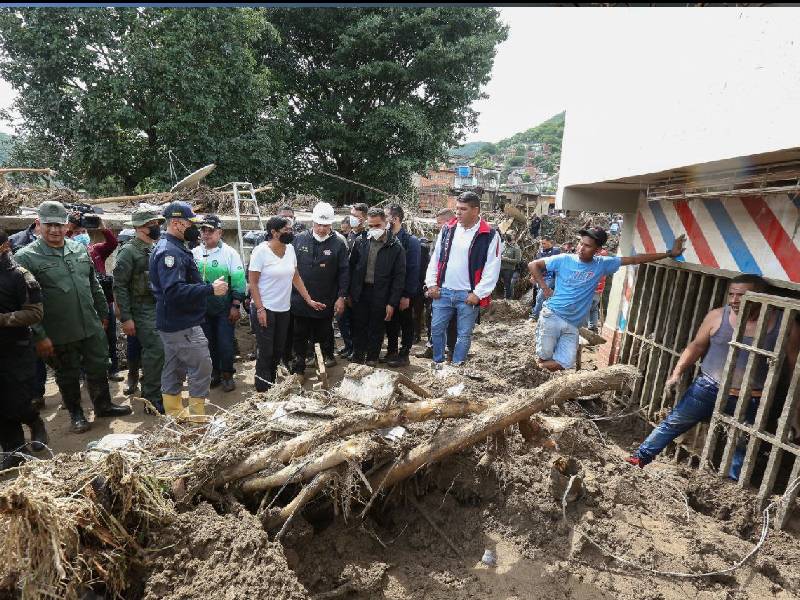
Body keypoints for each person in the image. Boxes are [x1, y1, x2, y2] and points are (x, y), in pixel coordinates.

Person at [626, 275, 800, 480]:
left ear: (761, 297)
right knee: (673, 423)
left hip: (753, 397)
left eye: (742, 296)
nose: (734, 300)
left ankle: (730, 489)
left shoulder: (786, 325)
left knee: (742, 444)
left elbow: (794, 368)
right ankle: (639, 459)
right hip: (707, 388)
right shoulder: (717, 316)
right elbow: (696, 346)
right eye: (731, 294)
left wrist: (795, 410)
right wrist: (676, 373)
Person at [16, 201, 132, 433]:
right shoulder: (26, 257)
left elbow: (93, 284)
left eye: (59, 225)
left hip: (90, 325)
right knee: (67, 373)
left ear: (67, 225)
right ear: (38, 224)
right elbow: (25, 303)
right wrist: (39, 336)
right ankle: (77, 414)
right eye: (49, 225)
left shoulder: (78, 249)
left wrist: (102, 314)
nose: (55, 230)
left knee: (99, 364)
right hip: (59, 330)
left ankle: (103, 405)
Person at [530, 227, 686, 372]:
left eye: (587, 246)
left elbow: (634, 260)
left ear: (598, 250)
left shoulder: (602, 264)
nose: (581, 248)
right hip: (552, 316)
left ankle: (533, 371)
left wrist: (669, 253)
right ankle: (534, 380)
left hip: (573, 324)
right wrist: (544, 288)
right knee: (544, 357)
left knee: (566, 362)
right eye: (580, 243)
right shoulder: (564, 259)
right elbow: (533, 265)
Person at [150, 201, 228, 420]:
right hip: (181, 323)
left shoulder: (173, 247)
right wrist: (210, 289)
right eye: (190, 223)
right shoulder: (170, 252)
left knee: (174, 366)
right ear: (176, 223)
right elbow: (173, 291)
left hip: (173, 321)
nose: (195, 228)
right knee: (202, 365)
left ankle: (175, 415)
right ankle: (196, 418)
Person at [425, 191, 502, 367]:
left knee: (464, 334)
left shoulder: (489, 234)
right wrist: (431, 284)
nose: (458, 213)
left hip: (468, 296)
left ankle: (458, 364)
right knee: (436, 329)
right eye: (457, 208)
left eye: (463, 209)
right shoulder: (448, 229)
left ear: (475, 210)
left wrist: (479, 293)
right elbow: (436, 258)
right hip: (443, 292)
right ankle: (438, 363)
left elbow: (492, 267)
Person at [249, 216, 325, 390]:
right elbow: (252, 283)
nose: (290, 233)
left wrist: (309, 299)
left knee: (278, 350)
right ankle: (262, 389)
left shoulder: (290, 249)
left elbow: (295, 276)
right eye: (286, 230)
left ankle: (272, 383)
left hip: (284, 309)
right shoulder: (261, 252)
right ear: (274, 233)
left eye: (291, 230)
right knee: (266, 351)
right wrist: (260, 308)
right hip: (264, 308)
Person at [0, 229, 48, 468]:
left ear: (5, 247)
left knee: (17, 403)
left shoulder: (20, 275)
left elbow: (35, 312)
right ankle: (14, 451)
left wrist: (3, 319)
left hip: (17, 349)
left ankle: (35, 422)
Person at [113, 208, 166, 413]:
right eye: (152, 223)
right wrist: (125, 318)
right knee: (156, 350)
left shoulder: (153, 247)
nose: (157, 227)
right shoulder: (129, 251)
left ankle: (157, 390)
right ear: (140, 227)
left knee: (161, 352)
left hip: (156, 306)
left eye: (157, 223)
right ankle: (151, 398)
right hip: (140, 308)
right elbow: (120, 286)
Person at [290, 202, 349, 375]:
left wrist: (341, 297)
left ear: (331, 224)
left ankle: (322, 366)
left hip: (325, 299)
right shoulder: (299, 239)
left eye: (326, 225)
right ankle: (298, 369)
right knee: (299, 335)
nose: (322, 229)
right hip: (300, 300)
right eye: (319, 225)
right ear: (312, 222)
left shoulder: (338, 243)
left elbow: (344, 272)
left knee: (323, 334)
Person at [193, 214, 246, 393]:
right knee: (207, 343)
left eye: (211, 230)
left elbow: (239, 281)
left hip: (224, 308)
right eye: (203, 230)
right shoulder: (195, 253)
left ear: (220, 232)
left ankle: (227, 375)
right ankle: (214, 373)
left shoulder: (230, 253)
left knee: (225, 342)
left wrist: (236, 305)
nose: (206, 234)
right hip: (202, 309)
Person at [347, 207, 406, 366]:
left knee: (376, 326)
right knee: (359, 325)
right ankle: (358, 356)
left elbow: (398, 277)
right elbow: (351, 267)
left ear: (386, 223)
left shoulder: (395, 246)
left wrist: (392, 302)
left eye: (377, 225)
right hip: (361, 290)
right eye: (370, 226)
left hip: (381, 293)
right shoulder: (360, 241)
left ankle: (372, 357)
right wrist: (349, 293)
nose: (374, 229)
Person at [73, 218, 123, 382]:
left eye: (83, 232)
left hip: (104, 300)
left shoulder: (95, 251)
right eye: (77, 232)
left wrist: (103, 228)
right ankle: (83, 371)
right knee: (83, 338)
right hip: (83, 303)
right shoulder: (70, 254)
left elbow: (113, 243)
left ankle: (113, 369)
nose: (81, 235)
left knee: (110, 337)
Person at [9, 219, 47, 411]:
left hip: (25, 326)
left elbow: (33, 310)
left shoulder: (17, 273)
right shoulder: (16, 241)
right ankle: (35, 396)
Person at [382, 203, 421, 367]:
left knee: (405, 322)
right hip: (388, 290)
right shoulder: (386, 238)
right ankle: (392, 351)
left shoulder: (411, 242)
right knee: (390, 321)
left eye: (386, 217)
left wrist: (407, 295)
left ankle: (404, 353)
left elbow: (413, 270)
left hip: (404, 291)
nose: (384, 220)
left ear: (395, 219)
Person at [417, 208, 457, 360]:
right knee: (430, 318)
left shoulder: (455, 239)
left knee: (450, 323)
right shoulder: (439, 237)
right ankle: (431, 347)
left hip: (447, 289)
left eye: (440, 223)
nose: (437, 226)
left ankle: (450, 351)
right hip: (433, 286)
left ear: (449, 221)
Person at [336, 203, 369, 359]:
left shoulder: (367, 237)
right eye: (351, 215)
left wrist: (352, 290)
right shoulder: (350, 235)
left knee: (357, 322)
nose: (352, 219)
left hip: (359, 289)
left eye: (356, 216)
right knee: (343, 319)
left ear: (364, 218)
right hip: (345, 286)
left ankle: (357, 349)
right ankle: (349, 346)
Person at [529, 237, 561, 321]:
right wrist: (533, 276)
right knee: (543, 297)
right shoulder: (540, 252)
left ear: (550, 242)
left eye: (544, 243)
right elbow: (534, 265)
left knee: (540, 296)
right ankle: (546, 315)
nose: (542, 245)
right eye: (541, 243)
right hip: (540, 277)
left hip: (552, 277)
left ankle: (534, 316)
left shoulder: (556, 251)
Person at [584, 248, 609, 332]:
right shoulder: (605, 261)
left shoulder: (594, 259)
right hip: (599, 290)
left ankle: (582, 327)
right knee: (594, 309)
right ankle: (593, 327)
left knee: (585, 308)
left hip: (590, 290)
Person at [499, 233, 522, 300]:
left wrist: (506, 259)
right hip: (500, 268)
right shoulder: (504, 246)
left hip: (509, 269)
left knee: (507, 284)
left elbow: (518, 260)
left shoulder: (516, 248)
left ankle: (507, 299)